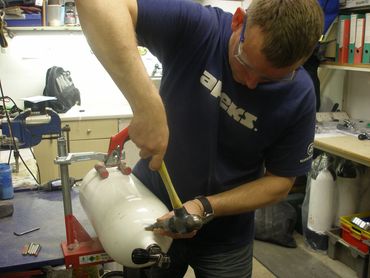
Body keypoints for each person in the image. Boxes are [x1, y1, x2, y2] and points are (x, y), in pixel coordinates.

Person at [75, 0, 324, 277]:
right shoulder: (199, 29)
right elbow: (98, 4)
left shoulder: (299, 94)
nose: (250, 83)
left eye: (269, 79)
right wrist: (146, 103)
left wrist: (205, 207)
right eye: (244, 61)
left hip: (227, 238)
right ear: (238, 21)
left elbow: (280, 183)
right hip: (150, 217)